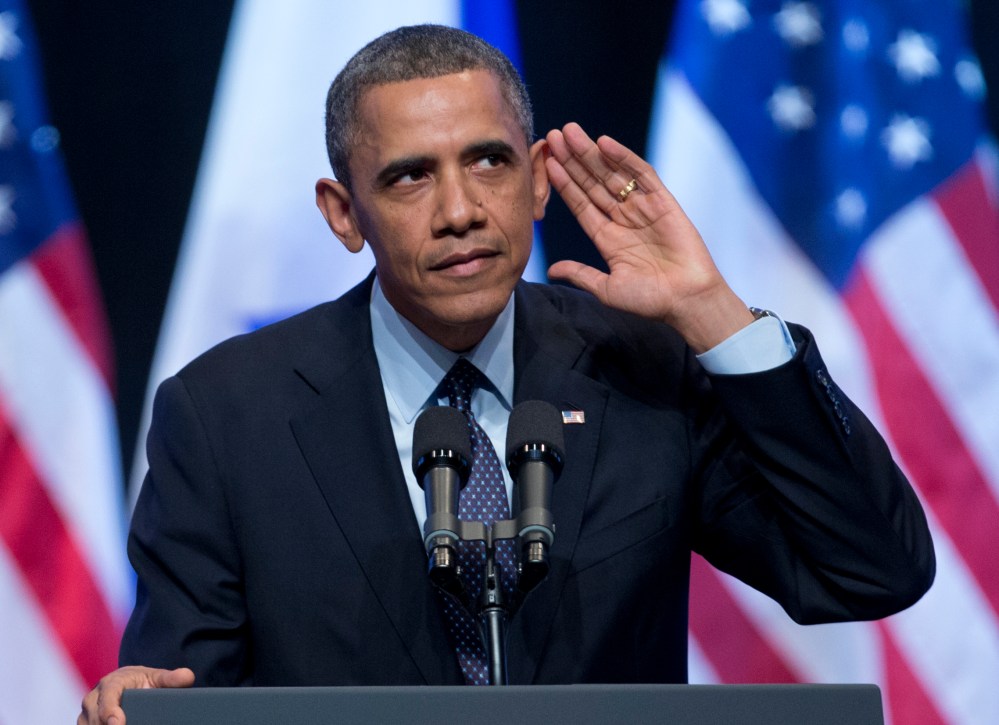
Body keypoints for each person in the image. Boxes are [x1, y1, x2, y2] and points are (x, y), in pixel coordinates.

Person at [80, 24, 934, 725]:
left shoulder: (641, 368)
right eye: (411, 176)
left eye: (489, 161)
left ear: (535, 183)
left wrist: (713, 314)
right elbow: (177, 693)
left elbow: (871, 568)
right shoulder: (226, 413)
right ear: (345, 214)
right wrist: (133, 706)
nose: (459, 211)